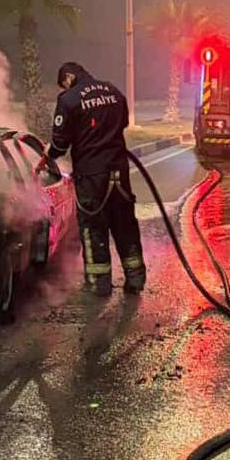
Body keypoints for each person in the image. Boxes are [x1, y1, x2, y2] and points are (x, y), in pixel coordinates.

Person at [39, 61, 145, 295]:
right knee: (125, 224)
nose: (64, 88)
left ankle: (99, 284)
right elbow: (123, 123)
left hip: (91, 175)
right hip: (119, 171)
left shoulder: (69, 99)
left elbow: (60, 144)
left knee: (94, 227)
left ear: (68, 77)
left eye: (63, 84)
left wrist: (48, 153)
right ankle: (136, 279)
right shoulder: (113, 91)